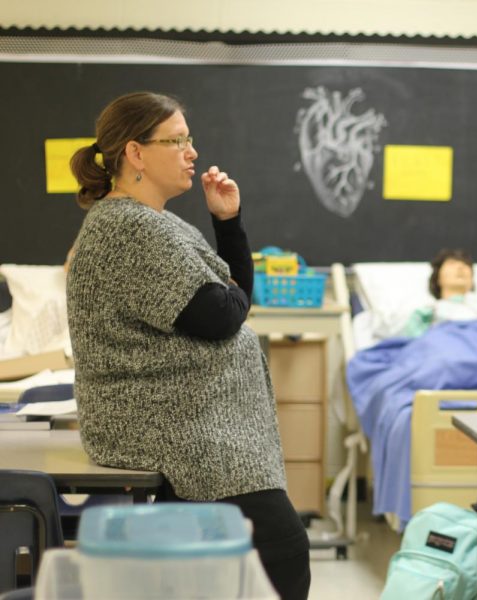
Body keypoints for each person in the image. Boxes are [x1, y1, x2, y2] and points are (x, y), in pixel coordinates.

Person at [67, 92, 310, 599]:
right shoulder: (128, 228)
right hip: (173, 431)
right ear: (135, 153)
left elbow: (234, 297)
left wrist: (227, 221)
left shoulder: (155, 223)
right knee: (280, 551)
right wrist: (232, 299)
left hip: (192, 426)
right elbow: (221, 315)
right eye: (177, 140)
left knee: (271, 554)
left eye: (189, 139)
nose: (192, 152)